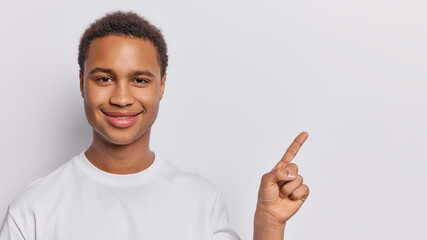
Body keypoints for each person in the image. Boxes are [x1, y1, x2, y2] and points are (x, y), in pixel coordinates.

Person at [0, 10, 309, 240]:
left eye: (139, 80)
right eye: (104, 79)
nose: (122, 98)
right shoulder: (33, 211)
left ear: (161, 86)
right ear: (82, 83)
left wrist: (269, 223)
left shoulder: (200, 200)